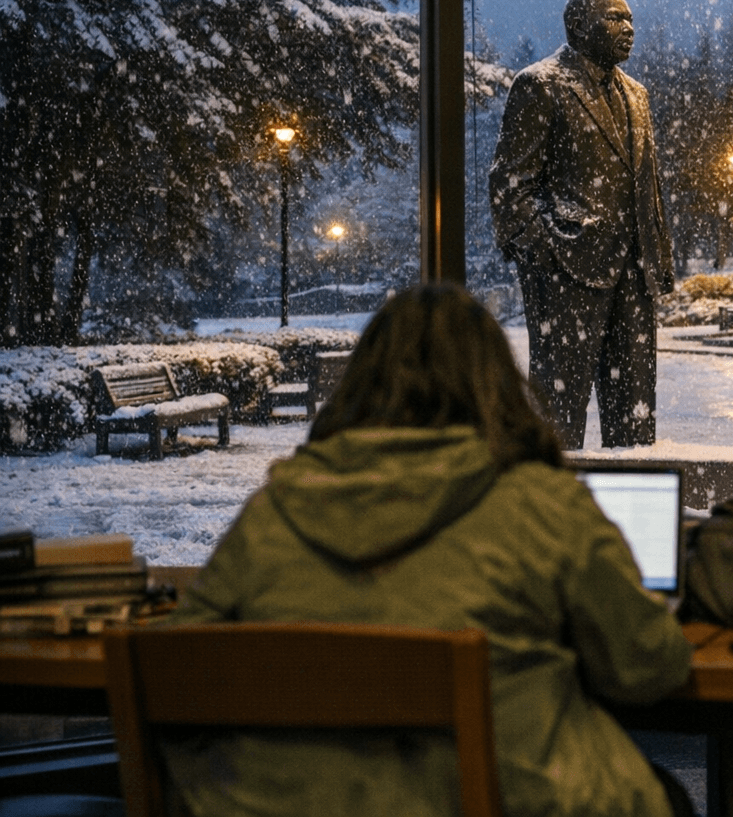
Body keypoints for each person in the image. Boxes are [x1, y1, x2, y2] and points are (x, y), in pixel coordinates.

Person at [161, 284, 696, 817]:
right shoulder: (541, 504)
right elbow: (646, 665)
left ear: (361, 382)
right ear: (495, 382)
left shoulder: (274, 513)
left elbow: (176, 673)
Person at [489, 0, 673, 450]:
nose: (628, 29)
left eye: (630, 19)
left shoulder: (637, 96)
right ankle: (549, 511)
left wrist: (658, 257)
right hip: (566, 273)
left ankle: (629, 514)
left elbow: (646, 186)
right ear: (577, 27)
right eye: (614, 19)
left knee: (635, 416)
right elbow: (511, 184)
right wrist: (546, 255)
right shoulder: (541, 84)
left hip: (632, 275)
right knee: (557, 415)